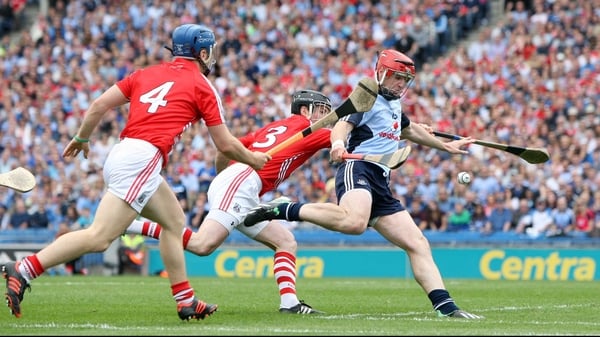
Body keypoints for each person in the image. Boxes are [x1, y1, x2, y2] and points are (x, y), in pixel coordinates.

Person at [1, 24, 270, 320]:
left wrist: (82, 138)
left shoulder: (145, 74)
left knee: (174, 221)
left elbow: (99, 104)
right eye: (211, 52)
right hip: (142, 160)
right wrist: (252, 159)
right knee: (100, 237)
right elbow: (226, 144)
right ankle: (25, 268)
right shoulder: (203, 86)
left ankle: (186, 301)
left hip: (124, 152)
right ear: (202, 52)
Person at [244, 49, 482, 319]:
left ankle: (446, 308)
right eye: (396, 78)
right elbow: (342, 126)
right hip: (357, 167)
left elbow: (409, 130)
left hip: (381, 179)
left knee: (417, 242)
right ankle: (285, 208)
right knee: (354, 223)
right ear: (381, 73)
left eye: (405, 80)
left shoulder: (394, 103)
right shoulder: (366, 96)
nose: (401, 84)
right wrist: (336, 143)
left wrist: (446, 146)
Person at [125, 89, 333, 314]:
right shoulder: (308, 130)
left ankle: (290, 303)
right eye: (322, 111)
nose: (326, 118)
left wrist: (223, 178)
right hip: (242, 182)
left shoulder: (272, 127)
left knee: (285, 241)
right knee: (202, 245)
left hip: (239, 183)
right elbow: (341, 138)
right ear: (305, 110)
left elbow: (224, 150)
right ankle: (131, 225)